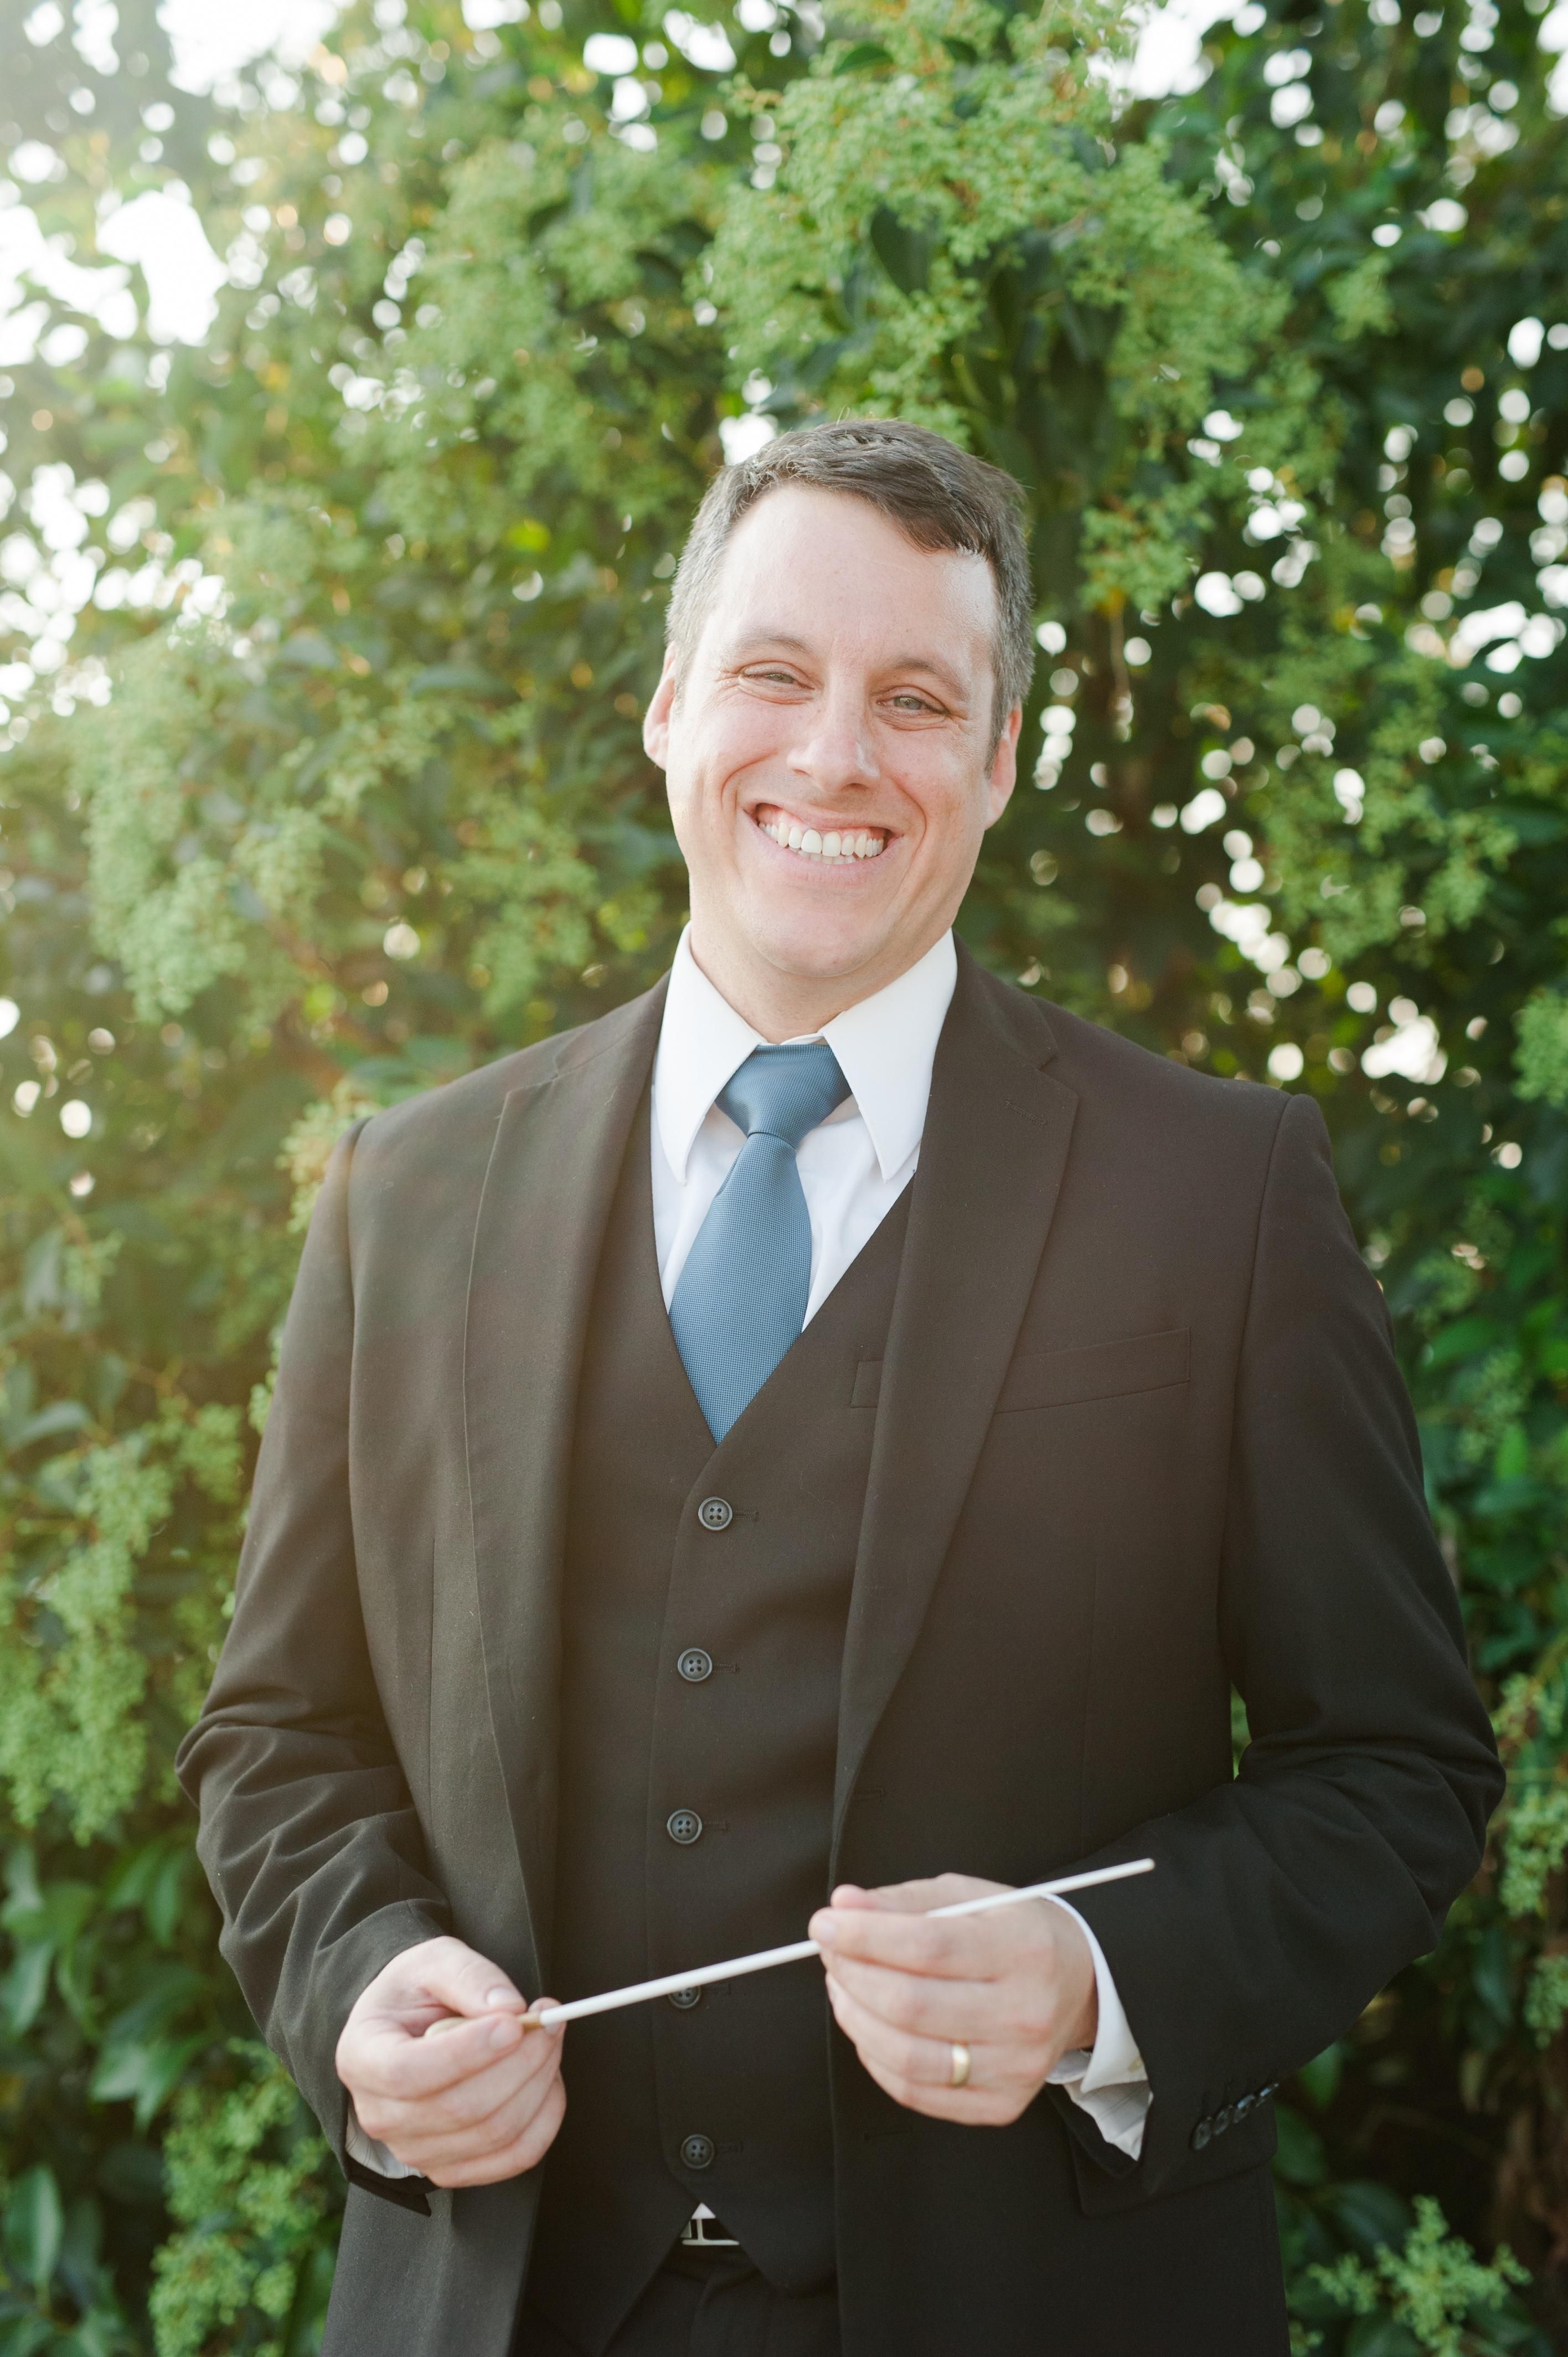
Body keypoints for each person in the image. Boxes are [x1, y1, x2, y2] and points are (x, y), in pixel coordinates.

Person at [178, 419, 1503, 2357]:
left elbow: (1395, 1771)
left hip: (1035, 2304)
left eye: (915, 700)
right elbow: (279, 1734)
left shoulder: (1221, 1194)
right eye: (775, 673)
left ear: (1000, 760)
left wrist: (1095, 1975)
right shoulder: (410, 1190)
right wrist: (359, 1986)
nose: (833, 755)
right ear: (669, 709)